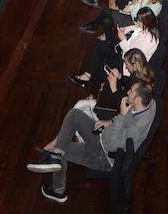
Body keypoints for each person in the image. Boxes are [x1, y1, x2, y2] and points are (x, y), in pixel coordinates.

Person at [27, 80, 157, 203]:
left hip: (103, 156)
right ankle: (55, 154)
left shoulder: (137, 128)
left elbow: (113, 146)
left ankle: (58, 191)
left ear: (138, 100)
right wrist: (110, 122)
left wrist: (122, 116)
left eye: (131, 91)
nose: (128, 92)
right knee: (75, 114)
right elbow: (126, 120)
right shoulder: (150, 103)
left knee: (62, 149)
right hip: (102, 137)